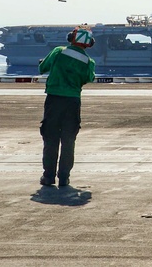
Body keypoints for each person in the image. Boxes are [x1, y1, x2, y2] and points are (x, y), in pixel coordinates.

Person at [38, 25, 96, 188]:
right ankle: (64, 177)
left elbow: (42, 68)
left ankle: (48, 176)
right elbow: (88, 78)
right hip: (72, 101)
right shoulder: (88, 62)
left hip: (54, 99)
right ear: (89, 43)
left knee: (50, 138)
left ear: (71, 38)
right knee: (69, 140)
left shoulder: (58, 51)